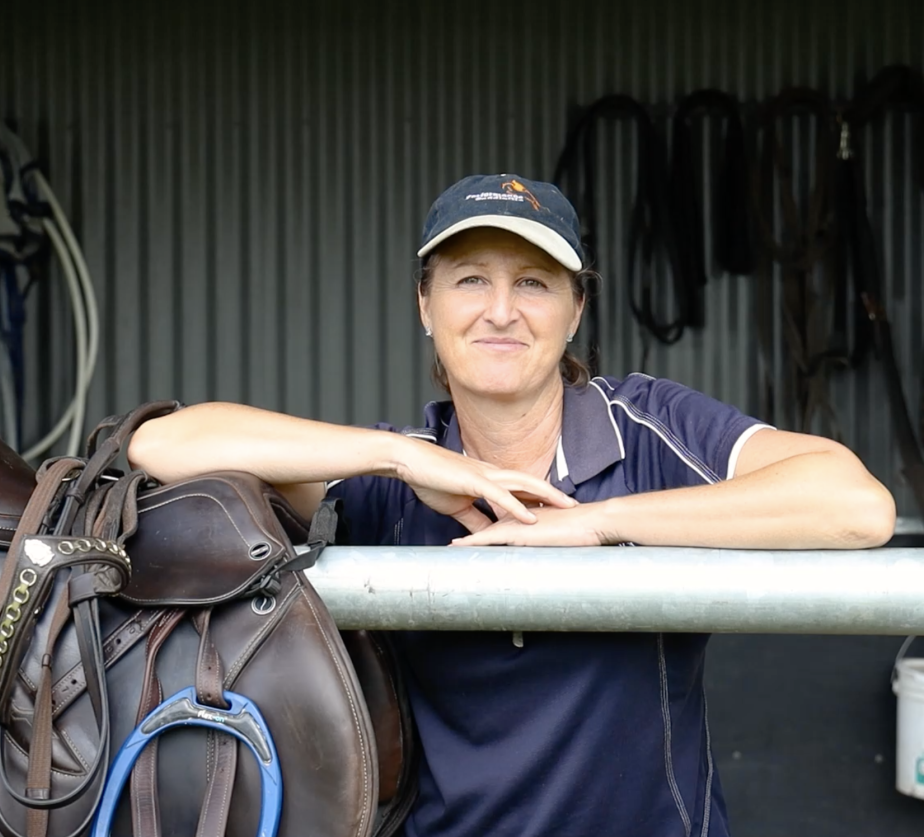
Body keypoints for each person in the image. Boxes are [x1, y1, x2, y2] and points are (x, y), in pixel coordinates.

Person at [127, 173, 897, 837]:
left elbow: (855, 504)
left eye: (533, 282)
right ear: (425, 305)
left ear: (575, 309)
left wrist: (595, 524)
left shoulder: (650, 429)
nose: (501, 310)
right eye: (469, 279)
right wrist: (397, 455)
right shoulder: (397, 471)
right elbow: (162, 446)